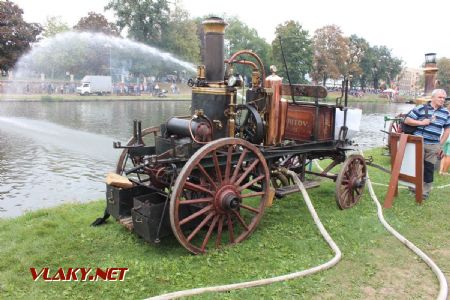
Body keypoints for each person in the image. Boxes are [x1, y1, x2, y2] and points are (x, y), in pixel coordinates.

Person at [404, 89, 450, 198]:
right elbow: (407, 120)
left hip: (433, 145)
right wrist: (421, 122)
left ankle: (424, 192)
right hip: (418, 143)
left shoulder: (445, 112)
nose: (442, 100)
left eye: (444, 98)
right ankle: (413, 188)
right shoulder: (420, 108)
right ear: (433, 97)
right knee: (415, 167)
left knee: (429, 168)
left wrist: (440, 144)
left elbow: (447, 130)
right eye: (440, 97)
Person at [439, 101, 450, 175]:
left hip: (444, 136)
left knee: (444, 154)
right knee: (448, 155)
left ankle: (440, 171)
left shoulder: (446, 113)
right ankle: (445, 172)